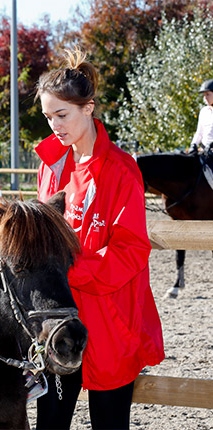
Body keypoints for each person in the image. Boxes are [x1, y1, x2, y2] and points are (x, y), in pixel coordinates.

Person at [34, 48, 165, 430]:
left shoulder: (122, 171)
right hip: (57, 322)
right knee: (50, 424)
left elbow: (130, 251)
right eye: (48, 117)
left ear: (88, 108)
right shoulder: (50, 164)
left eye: (63, 115)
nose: (55, 126)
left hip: (109, 322)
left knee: (109, 424)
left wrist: (66, 268)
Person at [189, 78, 213, 156]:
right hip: (204, 151)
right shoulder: (204, 111)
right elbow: (199, 132)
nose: (205, 97)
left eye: (208, 94)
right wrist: (193, 144)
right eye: (204, 95)